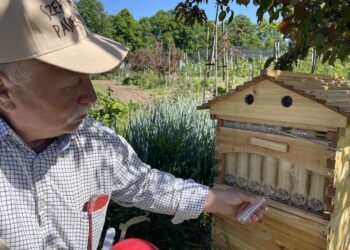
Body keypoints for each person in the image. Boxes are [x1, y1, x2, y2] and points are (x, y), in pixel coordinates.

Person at [0, 0, 266, 249]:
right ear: (4, 91)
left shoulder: (96, 143)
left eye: (89, 78)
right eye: (70, 85)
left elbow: (144, 184)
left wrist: (216, 200)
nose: (91, 97)